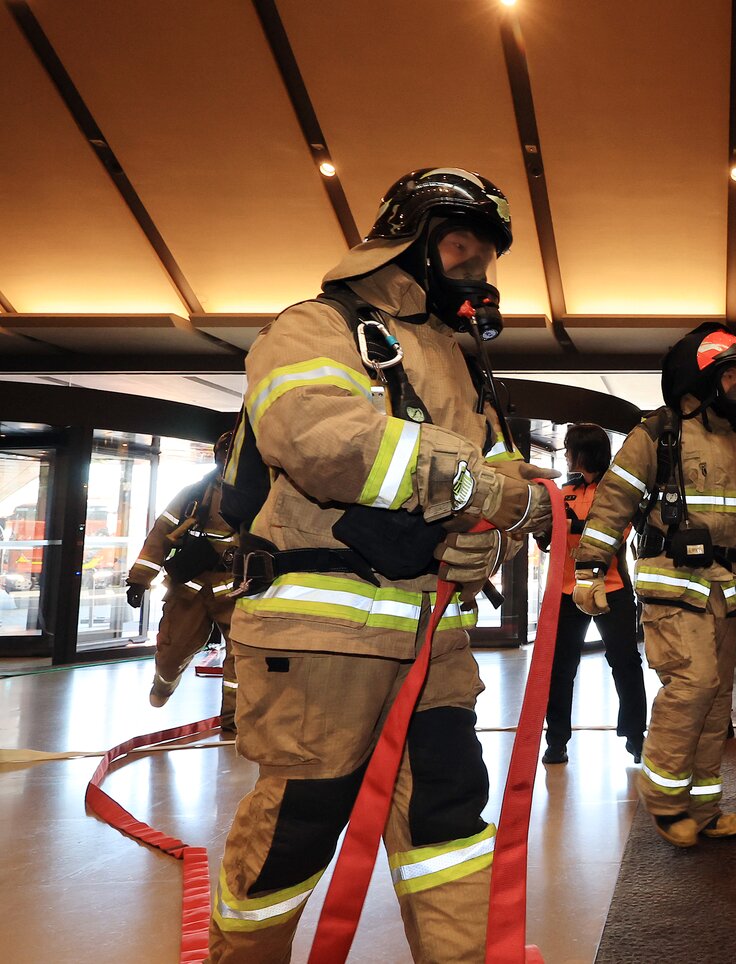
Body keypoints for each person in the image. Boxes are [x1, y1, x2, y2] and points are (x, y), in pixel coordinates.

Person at [209, 168, 555, 963]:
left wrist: (491, 539)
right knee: (295, 836)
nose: (477, 269)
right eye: (461, 246)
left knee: (449, 828)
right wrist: (471, 487)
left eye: (487, 256)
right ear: (410, 240)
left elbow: (507, 487)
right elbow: (316, 436)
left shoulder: (461, 364)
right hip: (322, 644)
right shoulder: (313, 328)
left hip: (436, 647)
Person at [571, 323, 736, 847]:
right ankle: (664, 803)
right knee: (693, 686)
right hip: (672, 586)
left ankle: (703, 807)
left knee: (717, 699)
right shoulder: (656, 435)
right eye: (731, 376)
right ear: (698, 380)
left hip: (722, 589)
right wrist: (589, 570)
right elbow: (613, 503)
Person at [539, 422, 646, 765]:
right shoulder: (564, 491)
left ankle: (635, 736)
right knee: (560, 668)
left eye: (569, 449)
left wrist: (568, 524)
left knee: (625, 663)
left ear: (584, 452)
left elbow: (615, 530)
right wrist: (546, 528)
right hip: (566, 591)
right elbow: (548, 536)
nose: (565, 454)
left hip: (611, 589)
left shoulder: (616, 491)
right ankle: (556, 741)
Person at [125, 432, 239, 730]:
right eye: (223, 453)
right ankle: (164, 684)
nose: (227, 459)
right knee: (171, 653)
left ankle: (234, 720)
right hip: (191, 588)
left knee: (242, 659)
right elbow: (161, 535)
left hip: (237, 591)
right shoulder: (194, 495)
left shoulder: (258, 495)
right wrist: (139, 579)